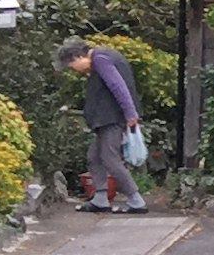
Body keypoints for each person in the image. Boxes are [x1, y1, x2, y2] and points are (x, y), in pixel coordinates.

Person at [60, 39, 149, 213]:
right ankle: (100, 198)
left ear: (78, 56)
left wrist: (130, 113)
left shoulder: (101, 59)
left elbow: (118, 86)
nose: (74, 70)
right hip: (108, 118)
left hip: (112, 118)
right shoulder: (104, 57)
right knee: (94, 156)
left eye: (72, 65)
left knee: (110, 158)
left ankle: (136, 200)